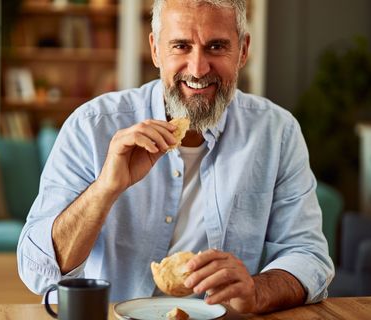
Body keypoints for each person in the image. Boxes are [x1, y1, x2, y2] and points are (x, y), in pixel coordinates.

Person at [17, 0, 334, 314]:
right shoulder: (91, 125)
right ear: (155, 49)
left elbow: (308, 257)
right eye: (181, 46)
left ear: (243, 50)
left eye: (216, 46)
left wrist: (256, 291)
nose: (198, 69)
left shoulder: (276, 132)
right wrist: (105, 188)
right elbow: (38, 270)